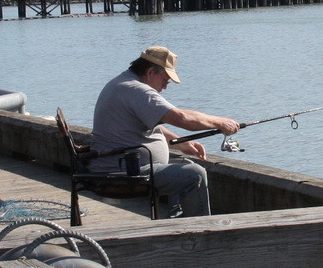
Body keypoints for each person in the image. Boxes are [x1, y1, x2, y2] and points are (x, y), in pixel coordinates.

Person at [90, 46, 240, 218]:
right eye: (165, 80)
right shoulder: (135, 90)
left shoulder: (123, 83)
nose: (165, 87)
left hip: (125, 165)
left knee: (186, 165)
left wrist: (182, 144)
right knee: (194, 174)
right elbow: (182, 118)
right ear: (152, 71)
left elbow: (152, 124)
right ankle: (201, 233)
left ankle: (177, 218)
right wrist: (221, 122)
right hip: (121, 173)